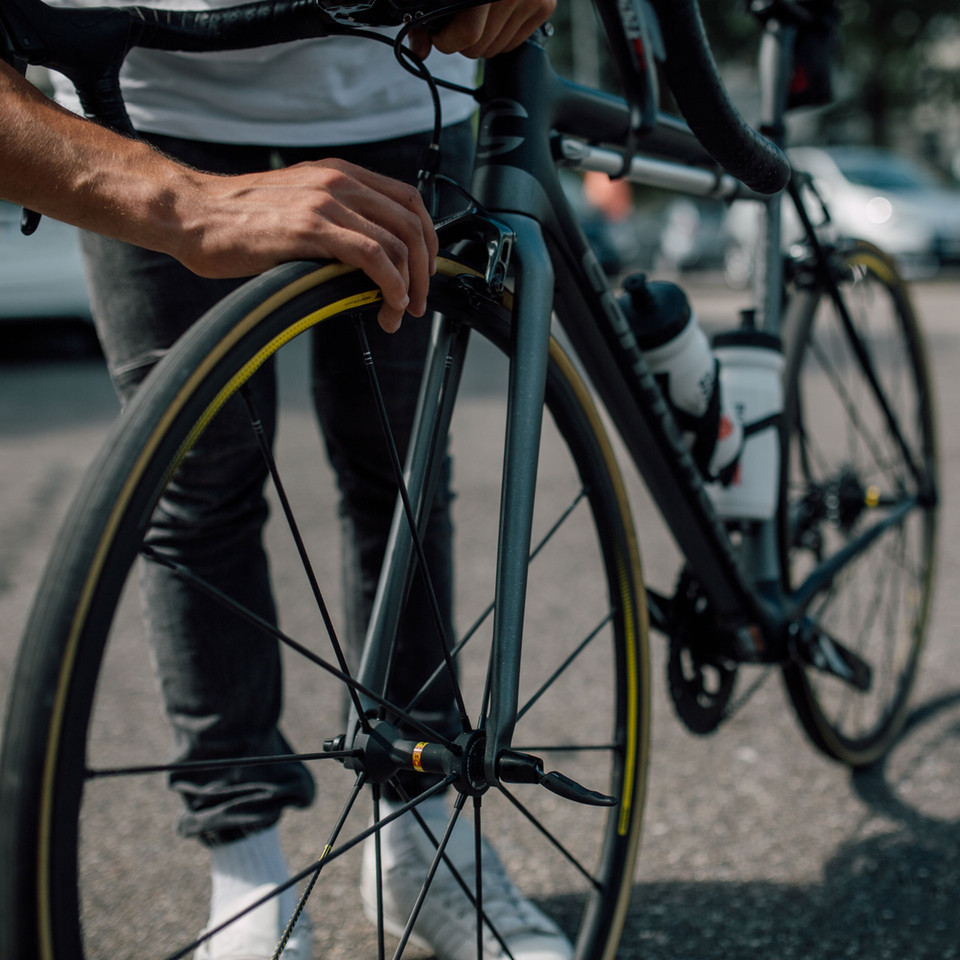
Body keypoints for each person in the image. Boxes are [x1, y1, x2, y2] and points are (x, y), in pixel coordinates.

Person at [6, 2, 565, 959]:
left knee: (400, 475)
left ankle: (422, 836)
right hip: (136, 92)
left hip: (396, 83)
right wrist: (178, 203)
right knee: (193, 483)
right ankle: (248, 872)